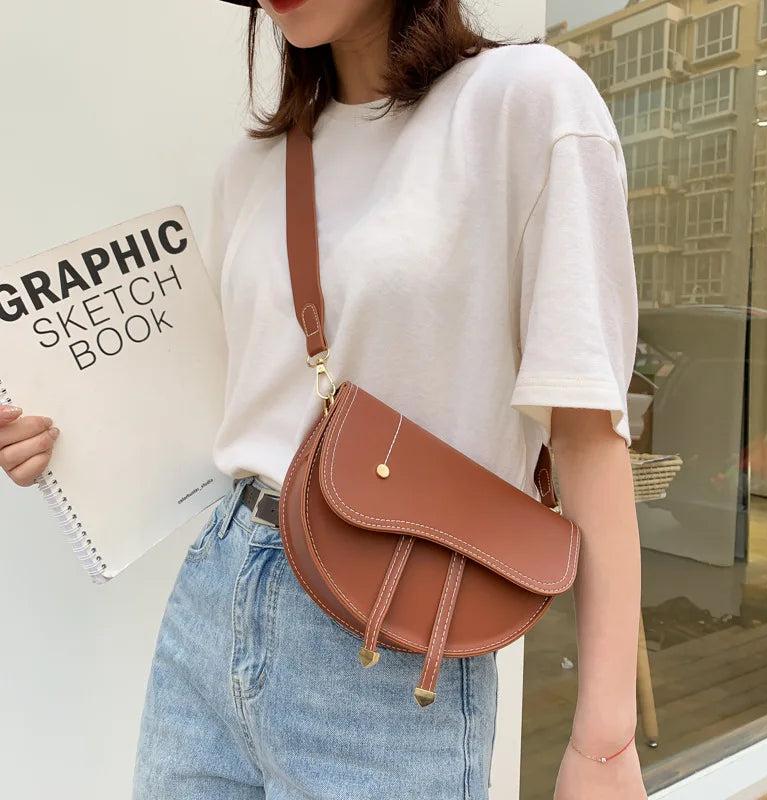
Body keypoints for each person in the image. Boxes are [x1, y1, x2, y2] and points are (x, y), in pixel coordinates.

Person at [0, 1, 645, 797]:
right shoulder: (252, 166)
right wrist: (70, 439)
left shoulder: (523, 102)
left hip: (389, 631)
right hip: (213, 601)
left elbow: (587, 432)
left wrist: (604, 742)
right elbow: (241, 408)